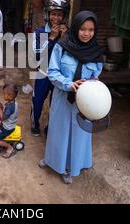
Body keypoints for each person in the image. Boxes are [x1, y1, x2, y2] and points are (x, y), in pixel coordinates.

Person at [39, 11, 104, 184]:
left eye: (91, 30)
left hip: (85, 103)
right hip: (62, 97)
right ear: (75, 28)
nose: (86, 33)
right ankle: (52, 160)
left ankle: (70, 167)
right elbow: (52, 72)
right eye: (82, 29)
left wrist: (93, 84)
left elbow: (96, 75)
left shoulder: (97, 53)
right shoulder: (62, 46)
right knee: (57, 130)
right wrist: (68, 84)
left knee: (79, 134)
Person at [30, 0, 69, 136]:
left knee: (56, 104)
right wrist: (52, 38)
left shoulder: (67, 33)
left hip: (59, 75)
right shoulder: (39, 32)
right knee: (38, 100)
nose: (56, 18)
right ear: (48, 14)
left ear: (64, 16)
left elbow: (69, 56)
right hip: (42, 72)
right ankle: (35, 124)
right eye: (53, 14)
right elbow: (37, 56)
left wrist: (64, 39)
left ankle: (50, 127)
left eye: (59, 14)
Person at [0, 84, 19, 158]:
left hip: (7, 128)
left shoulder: (10, 108)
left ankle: (10, 147)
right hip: (7, 122)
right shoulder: (12, 102)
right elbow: (4, 112)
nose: (3, 95)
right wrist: (0, 105)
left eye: (4, 94)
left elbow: (2, 118)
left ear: (10, 96)